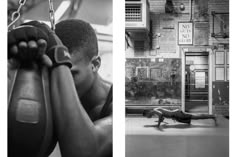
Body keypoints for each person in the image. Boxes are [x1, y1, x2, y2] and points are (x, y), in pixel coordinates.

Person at [8, 19, 112, 157]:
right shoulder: (52, 94)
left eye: (69, 73)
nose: (61, 80)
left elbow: (86, 152)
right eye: (54, 74)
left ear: (95, 64)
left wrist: (60, 61)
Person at [143, 107, 216, 128]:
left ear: (147, 112)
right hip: (177, 115)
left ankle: (212, 116)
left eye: (147, 116)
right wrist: (161, 121)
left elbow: (161, 115)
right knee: (195, 117)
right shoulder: (156, 110)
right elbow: (162, 116)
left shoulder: (155, 110)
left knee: (195, 117)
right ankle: (212, 116)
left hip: (177, 114)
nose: (148, 118)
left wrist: (158, 125)